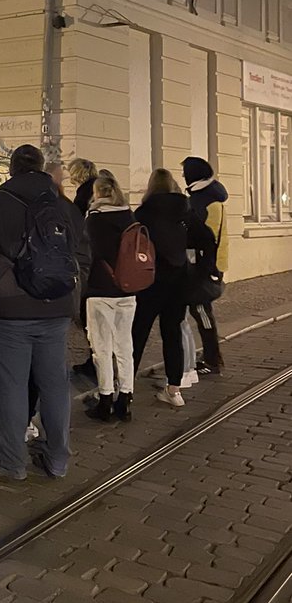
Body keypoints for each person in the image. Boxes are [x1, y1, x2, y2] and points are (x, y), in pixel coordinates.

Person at [0, 144, 89, 482]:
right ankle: (58, 458)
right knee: (55, 384)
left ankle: (11, 462)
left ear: (12, 169)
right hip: (56, 307)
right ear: (42, 168)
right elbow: (82, 258)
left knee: (12, 386)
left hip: (8, 310)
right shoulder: (64, 207)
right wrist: (72, 300)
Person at [132, 168, 191, 408]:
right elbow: (205, 237)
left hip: (151, 280)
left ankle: (125, 388)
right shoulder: (185, 211)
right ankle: (174, 389)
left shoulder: (143, 213)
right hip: (179, 280)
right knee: (173, 334)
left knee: (138, 333)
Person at [83, 174, 136, 422]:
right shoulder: (129, 216)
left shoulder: (94, 219)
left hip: (100, 288)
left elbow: (88, 253)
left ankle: (105, 398)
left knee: (102, 347)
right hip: (127, 287)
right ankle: (125, 397)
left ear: (97, 193)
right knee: (125, 345)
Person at [182, 156, 228, 375]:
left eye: (185, 173)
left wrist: (205, 270)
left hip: (205, 266)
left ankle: (212, 358)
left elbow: (207, 239)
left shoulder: (206, 202)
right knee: (201, 310)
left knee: (201, 310)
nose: (183, 176)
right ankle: (211, 355)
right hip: (207, 264)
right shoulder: (207, 197)